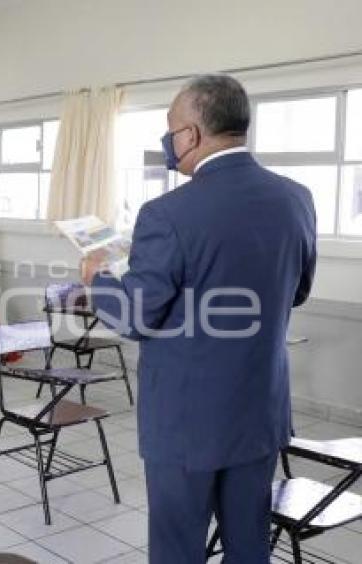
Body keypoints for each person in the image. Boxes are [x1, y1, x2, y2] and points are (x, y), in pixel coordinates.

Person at [83, 75, 316, 563]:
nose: (169, 142)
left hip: (186, 422)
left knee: (178, 549)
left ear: (189, 135)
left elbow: (135, 317)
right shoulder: (296, 199)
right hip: (258, 411)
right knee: (250, 545)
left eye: (170, 130)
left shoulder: (167, 213)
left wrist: (97, 280)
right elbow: (296, 292)